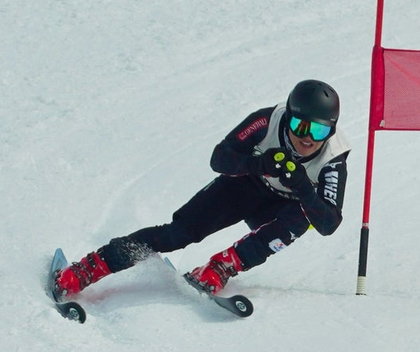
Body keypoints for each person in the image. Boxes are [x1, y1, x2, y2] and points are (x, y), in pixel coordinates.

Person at [53, 79, 351, 299]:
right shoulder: (267, 121)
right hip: (245, 187)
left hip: (277, 213)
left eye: (319, 130)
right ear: (288, 117)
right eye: (301, 126)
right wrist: (259, 166)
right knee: (178, 234)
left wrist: (302, 187)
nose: (308, 138)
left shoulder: (332, 158)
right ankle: (92, 265)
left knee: (305, 217)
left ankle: (224, 266)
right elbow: (220, 158)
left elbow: (328, 223)